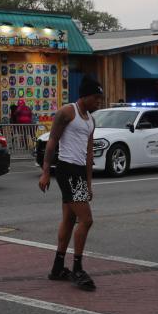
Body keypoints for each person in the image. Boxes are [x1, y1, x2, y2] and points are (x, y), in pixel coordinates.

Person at [38, 75, 104, 291]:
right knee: (86, 220)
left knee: (69, 218)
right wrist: (46, 172)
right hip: (66, 170)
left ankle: (58, 267)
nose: (99, 102)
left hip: (79, 173)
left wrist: (89, 184)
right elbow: (52, 141)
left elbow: (88, 153)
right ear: (85, 95)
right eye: (96, 97)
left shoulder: (91, 121)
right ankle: (77, 268)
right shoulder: (67, 112)